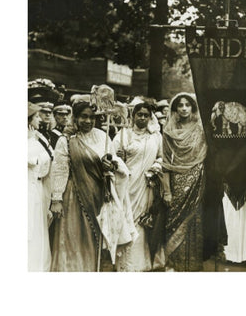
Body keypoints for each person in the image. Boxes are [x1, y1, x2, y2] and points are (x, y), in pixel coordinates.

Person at [49, 101, 136, 271]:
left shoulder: (102, 137)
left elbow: (115, 163)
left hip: (99, 193)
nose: (88, 121)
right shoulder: (66, 140)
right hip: (75, 196)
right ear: (75, 117)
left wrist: (112, 167)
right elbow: (59, 169)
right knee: (74, 237)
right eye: (84, 117)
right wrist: (56, 199)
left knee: (97, 236)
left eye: (92, 117)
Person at [113, 102, 165, 271]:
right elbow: (111, 158)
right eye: (139, 114)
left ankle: (141, 263)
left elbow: (162, 157)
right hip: (126, 184)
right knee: (126, 219)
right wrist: (119, 158)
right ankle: (125, 264)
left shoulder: (155, 136)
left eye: (146, 115)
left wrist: (155, 169)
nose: (142, 118)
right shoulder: (123, 135)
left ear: (150, 117)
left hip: (146, 184)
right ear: (133, 116)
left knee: (142, 221)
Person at [161, 93, 207, 271]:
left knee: (194, 220)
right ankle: (174, 264)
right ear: (175, 109)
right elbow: (165, 162)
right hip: (176, 180)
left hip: (197, 178)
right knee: (175, 220)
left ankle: (193, 265)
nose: (184, 108)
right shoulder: (168, 131)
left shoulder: (201, 130)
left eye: (188, 105)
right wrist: (167, 190)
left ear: (193, 108)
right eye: (180, 105)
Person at [28, 102, 52, 271]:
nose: (39, 119)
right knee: (32, 230)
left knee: (37, 229)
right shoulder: (30, 141)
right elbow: (39, 165)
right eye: (36, 116)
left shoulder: (36, 137)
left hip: (36, 188)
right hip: (29, 189)